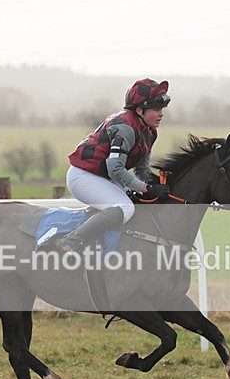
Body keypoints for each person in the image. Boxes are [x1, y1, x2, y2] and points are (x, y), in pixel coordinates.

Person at [58, 78, 171, 253]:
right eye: (156, 109)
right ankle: (71, 241)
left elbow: (141, 170)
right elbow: (115, 169)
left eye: (161, 109)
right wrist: (146, 188)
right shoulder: (125, 127)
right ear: (140, 110)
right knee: (125, 208)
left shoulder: (150, 132)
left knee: (137, 202)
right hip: (83, 176)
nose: (161, 114)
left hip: (105, 178)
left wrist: (155, 185)